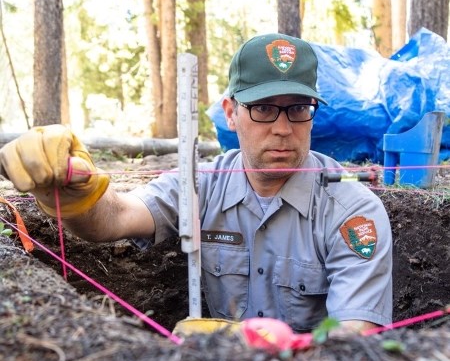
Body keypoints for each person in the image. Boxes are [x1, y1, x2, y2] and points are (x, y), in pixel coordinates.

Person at [0, 33, 392, 335]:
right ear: (231, 113)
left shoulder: (351, 210)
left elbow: (355, 339)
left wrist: (255, 346)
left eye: (299, 109)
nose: (283, 128)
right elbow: (115, 218)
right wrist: (73, 196)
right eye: (264, 108)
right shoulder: (200, 185)